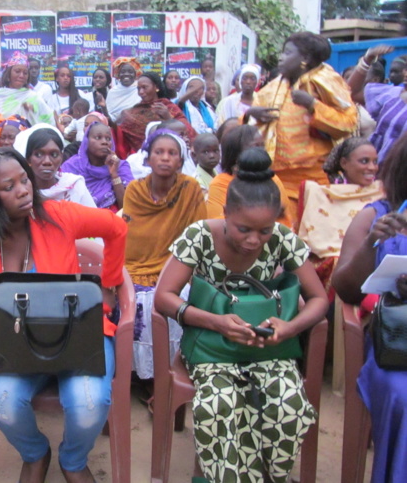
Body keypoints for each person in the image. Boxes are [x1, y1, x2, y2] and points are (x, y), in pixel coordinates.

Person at [155, 147, 328, 483]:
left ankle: (267, 474)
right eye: (244, 229)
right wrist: (216, 321)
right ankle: (222, 476)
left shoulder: (282, 239)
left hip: (267, 348)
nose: (255, 240)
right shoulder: (200, 236)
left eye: (264, 230)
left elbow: (319, 299)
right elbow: (164, 297)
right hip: (211, 347)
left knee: (287, 403)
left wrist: (290, 327)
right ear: (225, 213)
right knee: (219, 403)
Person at [0, 147, 127, 483]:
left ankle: (73, 460)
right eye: (9, 187)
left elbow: (116, 228)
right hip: (21, 344)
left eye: (24, 180)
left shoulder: (58, 215)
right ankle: (35, 452)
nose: (24, 190)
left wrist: (108, 286)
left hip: (79, 335)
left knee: (89, 402)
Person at [332, 133, 407, 483]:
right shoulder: (377, 215)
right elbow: (344, 288)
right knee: (401, 394)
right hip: (396, 342)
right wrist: (372, 243)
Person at [123, 127, 206, 383]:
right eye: (159, 152)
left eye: (172, 153)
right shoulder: (135, 191)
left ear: (181, 160)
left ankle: (173, 373)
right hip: (137, 267)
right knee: (139, 302)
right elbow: (134, 242)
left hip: (179, 269)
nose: (165, 158)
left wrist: (176, 271)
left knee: (178, 298)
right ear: (147, 158)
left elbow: (199, 236)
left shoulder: (190, 189)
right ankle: (143, 377)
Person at [247, 32, 357, 224]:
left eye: (288, 52)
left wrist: (313, 105)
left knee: (314, 237)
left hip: (315, 178)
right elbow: (249, 127)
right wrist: (251, 114)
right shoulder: (272, 87)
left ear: (305, 58)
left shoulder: (325, 80)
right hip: (276, 178)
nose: (281, 57)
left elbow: (348, 122)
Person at [298, 138, 383, 292]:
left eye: (375, 162)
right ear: (344, 163)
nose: (372, 167)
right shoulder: (324, 195)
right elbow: (317, 243)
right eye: (364, 161)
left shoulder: (384, 192)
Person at [206, 125, 294, 228]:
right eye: (256, 146)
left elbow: (284, 217)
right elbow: (219, 225)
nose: (262, 151)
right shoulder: (220, 183)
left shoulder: (272, 178)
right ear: (236, 153)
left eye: (263, 145)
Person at [347, 45, 407, 163]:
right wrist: (367, 60)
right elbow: (352, 92)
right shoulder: (392, 94)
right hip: (376, 171)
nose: (405, 73)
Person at [61, 120, 134, 211]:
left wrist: (114, 174)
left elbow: (128, 208)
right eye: (98, 137)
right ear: (86, 141)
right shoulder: (72, 166)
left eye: (108, 139)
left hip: (114, 220)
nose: (104, 142)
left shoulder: (120, 166)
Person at [18, 124, 96, 207]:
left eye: (54, 154)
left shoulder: (74, 185)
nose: (47, 161)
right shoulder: (23, 192)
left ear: (61, 158)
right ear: (28, 158)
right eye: (39, 154)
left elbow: (94, 217)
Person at [118, 72, 194, 157]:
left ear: (156, 87)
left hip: (172, 155)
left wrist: (168, 117)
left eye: (144, 87)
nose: (141, 92)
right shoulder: (132, 112)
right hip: (145, 157)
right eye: (138, 88)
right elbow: (118, 132)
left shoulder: (169, 107)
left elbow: (188, 132)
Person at [0, 52, 55, 127]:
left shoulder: (33, 97)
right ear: (8, 74)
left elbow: (50, 121)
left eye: (25, 73)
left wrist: (32, 111)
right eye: (17, 71)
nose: (21, 75)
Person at [126, 120, 197, 180]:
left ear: (180, 162)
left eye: (186, 135)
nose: (187, 139)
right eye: (180, 135)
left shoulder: (191, 159)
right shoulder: (134, 161)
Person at [106, 57, 142, 123]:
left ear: (135, 74)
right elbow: (109, 116)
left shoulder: (140, 90)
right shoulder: (112, 92)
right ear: (118, 74)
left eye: (130, 72)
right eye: (123, 71)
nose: (126, 74)